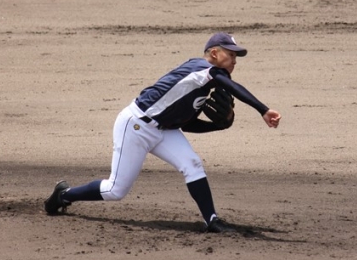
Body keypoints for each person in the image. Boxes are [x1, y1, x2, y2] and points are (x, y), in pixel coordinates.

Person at [44, 32, 281, 233]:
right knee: (115, 190)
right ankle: (64, 195)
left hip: (164, 130)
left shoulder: (203, 85)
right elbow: (232, 86)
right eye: (231, 55)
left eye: (236, 57)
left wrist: (218, 125)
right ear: (214, 53)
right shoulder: (201, 69)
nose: (234, 61)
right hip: (136, 126)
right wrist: (263, 110)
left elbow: (186, 124)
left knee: (192, 164)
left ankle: (212, 220)